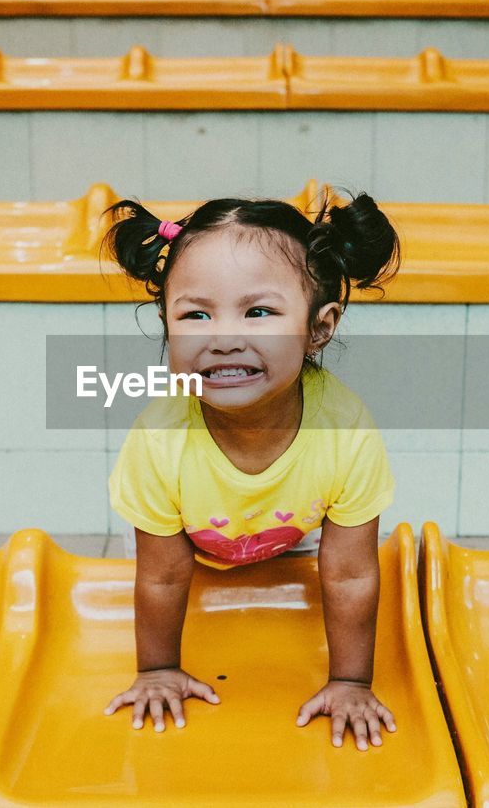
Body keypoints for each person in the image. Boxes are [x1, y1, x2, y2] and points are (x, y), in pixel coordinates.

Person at [101, 188, 401, 751]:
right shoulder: (160, 439)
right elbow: (163, 576)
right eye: (195, 314)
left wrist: (350, 681)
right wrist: (157, 669)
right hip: (188, 535)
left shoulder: (345, 430)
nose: (224, 338)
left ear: (320, 327)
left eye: (258, 312)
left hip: (294, 534)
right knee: (167, 574)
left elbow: (350, 574)